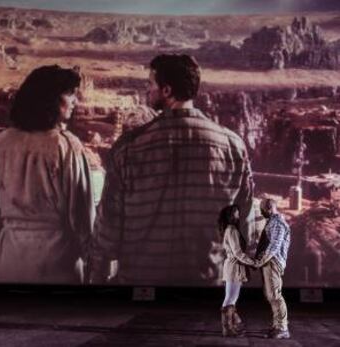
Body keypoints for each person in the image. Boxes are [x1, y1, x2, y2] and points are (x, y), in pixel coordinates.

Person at [90, 54, 254, 285]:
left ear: (166, 91)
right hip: (207, 283)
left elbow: (109, 225)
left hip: (141, 285)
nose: (147, 90)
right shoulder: (232, 146)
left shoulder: (129, 147)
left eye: (150, 84)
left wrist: (98, 275)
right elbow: (243, 222)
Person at [0, 65, 95, 284]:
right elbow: (81, 213)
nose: (75, 101)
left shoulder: (0, 143)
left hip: (10, 258)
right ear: (50, 99)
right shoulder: (66, 146)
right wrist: (90, 253)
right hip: (57, 261)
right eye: (69, 94)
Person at [255, 198, 291, 339]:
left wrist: (261, 261)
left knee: (275, 295)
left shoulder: (277, 223)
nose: (261, 211)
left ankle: (282, 328)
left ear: (269, 208)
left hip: (272, 262)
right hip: (269, 262)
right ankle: (277, 325)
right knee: (271, 295)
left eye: (262, 209)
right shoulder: (272, 222)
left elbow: (274, 247)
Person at [218, 204, 256, 337]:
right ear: (230, 215)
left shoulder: (230, 229)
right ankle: (228, 329)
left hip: (234, 266)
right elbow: (238, 253)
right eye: (236, 213)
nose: (238, 215)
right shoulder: (232, 230)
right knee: (230, 298)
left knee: (232, 298)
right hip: (234, 267)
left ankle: (231, 327)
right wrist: (254, 263)